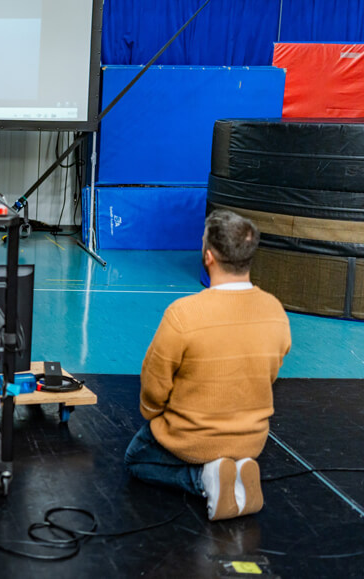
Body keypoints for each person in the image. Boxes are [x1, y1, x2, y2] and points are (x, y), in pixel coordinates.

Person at [124, 209, 291, 521]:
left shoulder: (183, 313)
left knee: (136, 458)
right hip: (251, 441)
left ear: (209, 257)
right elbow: (272, 373)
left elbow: (154, 383)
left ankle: (205, 478)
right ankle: (236, 469)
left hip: (192, 438)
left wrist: (154, 415)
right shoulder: (275, 311)